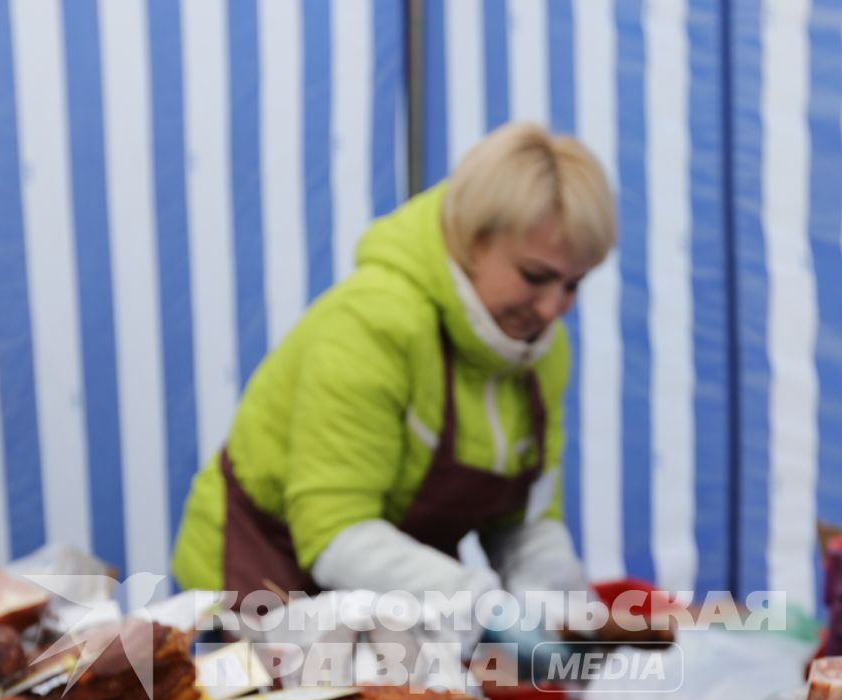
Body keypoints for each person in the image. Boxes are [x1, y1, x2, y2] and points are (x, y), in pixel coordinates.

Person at [172, 122, 615, 617]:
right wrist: (483, 606)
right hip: (262, 582)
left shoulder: (543, 354)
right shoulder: (374, 322)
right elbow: (336, 530)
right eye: (535, 276)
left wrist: (555, 607)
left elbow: (523, 520)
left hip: (389, 600)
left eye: (574, 284)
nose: (554, 307)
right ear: (472, 240)